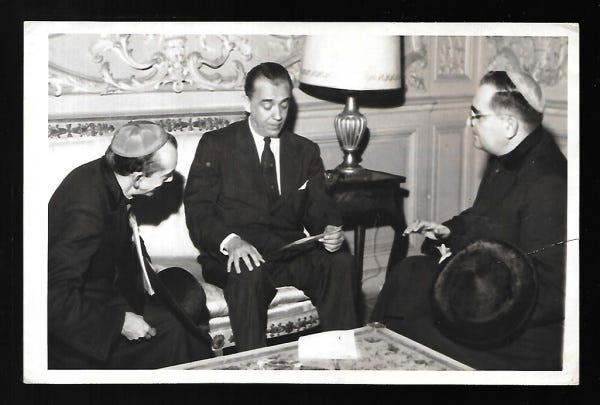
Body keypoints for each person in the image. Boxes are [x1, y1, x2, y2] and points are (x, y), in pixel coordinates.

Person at [370, 71, 567, 370]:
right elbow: (484, 216)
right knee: (406, 273)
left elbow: (550, 293)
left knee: (416, 325)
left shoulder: (549, 184)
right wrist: (449, 231)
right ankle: (376, 351)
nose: (468, 122)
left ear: (509, 125)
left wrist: (460, 277)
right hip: (485, 291)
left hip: (518, 328)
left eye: (476, 115)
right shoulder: (509, 153)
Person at [184, 62, 359, 351]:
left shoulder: (305, 150)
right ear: (247, 103)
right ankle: (254, 368)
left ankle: (339, 359)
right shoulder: (217, 145)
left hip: (287, 252)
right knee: (247, 274)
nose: (277, 115)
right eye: (267, 105)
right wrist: (232, 241)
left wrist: (329, 230)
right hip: (237, 257)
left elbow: (320, 209)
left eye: (284, 105)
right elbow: (198, 211)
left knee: (339, 261)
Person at [48, 120, 213, 369]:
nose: (169, 182)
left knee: (186, 303)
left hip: (109, 293)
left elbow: (123, 236)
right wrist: (119, 323)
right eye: (165, 176)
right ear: (138, 177)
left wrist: (145, 264)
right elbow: (53, 297)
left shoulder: (109, 177)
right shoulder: (85, 209)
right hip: (81, 324)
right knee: (178, 334)